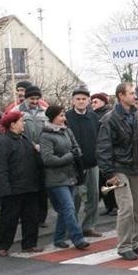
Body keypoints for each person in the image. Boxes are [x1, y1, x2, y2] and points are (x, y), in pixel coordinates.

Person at [96, 82, 138, 260]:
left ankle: (134, 242)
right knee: (126, 207)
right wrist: (109, 173)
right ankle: (124, 245)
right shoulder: (109, 119)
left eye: (134, 93)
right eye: (131, 93)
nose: (135, 96)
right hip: (119, 167)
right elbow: (103, 148)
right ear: (121, 96)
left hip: (136, 166)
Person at [40, 105, 90, 250]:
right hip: (55, 179)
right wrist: (69, 156)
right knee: (68, 207)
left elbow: (77, 148)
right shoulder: (46, 136)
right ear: (52, 117)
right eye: (61, 115)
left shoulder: (66, 131)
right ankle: (78, 238)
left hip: (70, 176)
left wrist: (76, 154)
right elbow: (48, 159)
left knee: (65, 209)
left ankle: (59, 238)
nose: (64, 118)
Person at [0, 111, 43, 256]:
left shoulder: (25, 139)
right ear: (13, 124)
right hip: (13, 188)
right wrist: (4, 189)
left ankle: (29, 244)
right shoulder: (3, 142)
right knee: (9, 219)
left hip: (30, 186)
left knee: (31, 217)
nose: (24, 123)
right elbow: (1, 168)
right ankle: (2, 246)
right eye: (21, 121)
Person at [66, 87, 102, 238]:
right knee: (75, 198)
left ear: (88, 101)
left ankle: (89, 226)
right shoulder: (66, 117)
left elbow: (100, 137)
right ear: (73, 101)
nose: (81, 102)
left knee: (93, 196)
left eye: (84, 99)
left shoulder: (94, 117)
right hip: (74, 165)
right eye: (78, 99)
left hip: (92, 162)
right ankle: (72, 228)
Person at [17, 85, 49, 226]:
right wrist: (30, 145)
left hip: (42, 152)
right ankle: (26, 216)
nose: (35, 101)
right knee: (28, 187)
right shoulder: (17, 111)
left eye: (37, 98)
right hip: (25, 153)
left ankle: (41, 218)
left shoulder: (45, 112)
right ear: (26, 98)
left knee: (42, 187)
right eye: (32, 98)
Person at [91, 92, 117, 216]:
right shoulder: (92, 115)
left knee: (110, 180)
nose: (93, 104)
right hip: (97, 152)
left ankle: (116, 205)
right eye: (92, 102)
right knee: (102, 182)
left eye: (96, 101)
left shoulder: (108, 114)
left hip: (107, 151)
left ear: (104, 102)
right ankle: (109, 205)